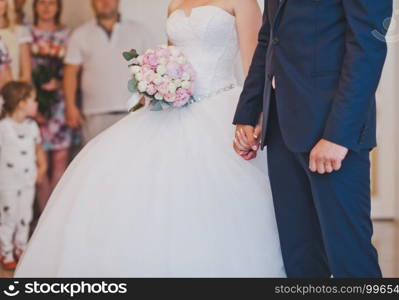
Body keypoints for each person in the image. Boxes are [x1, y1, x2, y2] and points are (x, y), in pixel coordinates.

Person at [14, 0, 286, 277]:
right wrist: (157, 81)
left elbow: (255, 63)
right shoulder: (175, 4)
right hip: (172, 107)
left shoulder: (242, 2)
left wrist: (253, 113)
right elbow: (171, 56)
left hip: (220, 104)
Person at [233, 0, 393, 277]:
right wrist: (248, 110)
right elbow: (269, 38)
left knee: (350, 258)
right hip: (281, 126)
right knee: (300, 257)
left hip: (332, 132)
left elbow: (368, 47)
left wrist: (338, 136)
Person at [64, 0, 152, 144]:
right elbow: (70, 73)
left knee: (133, 160)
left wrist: (146, 100)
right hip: (94, 113)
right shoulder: (80, 34)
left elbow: (150, 68)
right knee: (95, 162)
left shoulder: (139, 31)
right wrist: (70, 106)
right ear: (92, 3)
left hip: (133, 111)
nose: (105, 2)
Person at [29, 0, 80, 215]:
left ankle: (55, 217)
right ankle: (43, 219)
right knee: (39, 165)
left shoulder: (68, 35)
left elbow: (76, 70)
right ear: (35, 7)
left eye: (52, 3)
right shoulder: (27, 34)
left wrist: (58, 84)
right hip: (34, 105)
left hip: (60, 105)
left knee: (60, 161)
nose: (47, 7)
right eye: (42, 3)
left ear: (59, 7)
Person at [0, 81, 47, 270]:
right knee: (9, 215)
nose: (36, 104)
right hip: (8, 180)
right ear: (21, 103)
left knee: (25, 214)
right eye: (33, 100)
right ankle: (6, 250)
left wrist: (42, 167)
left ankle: (21, 246)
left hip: (27, 178)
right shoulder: (3, 128)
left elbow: (37, 148)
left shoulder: (32, 126)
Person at [0, 0, 31, 81]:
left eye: (2, 0)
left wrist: (13, 91)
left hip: (11, 91)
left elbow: (26, 75)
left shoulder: (20, 31)